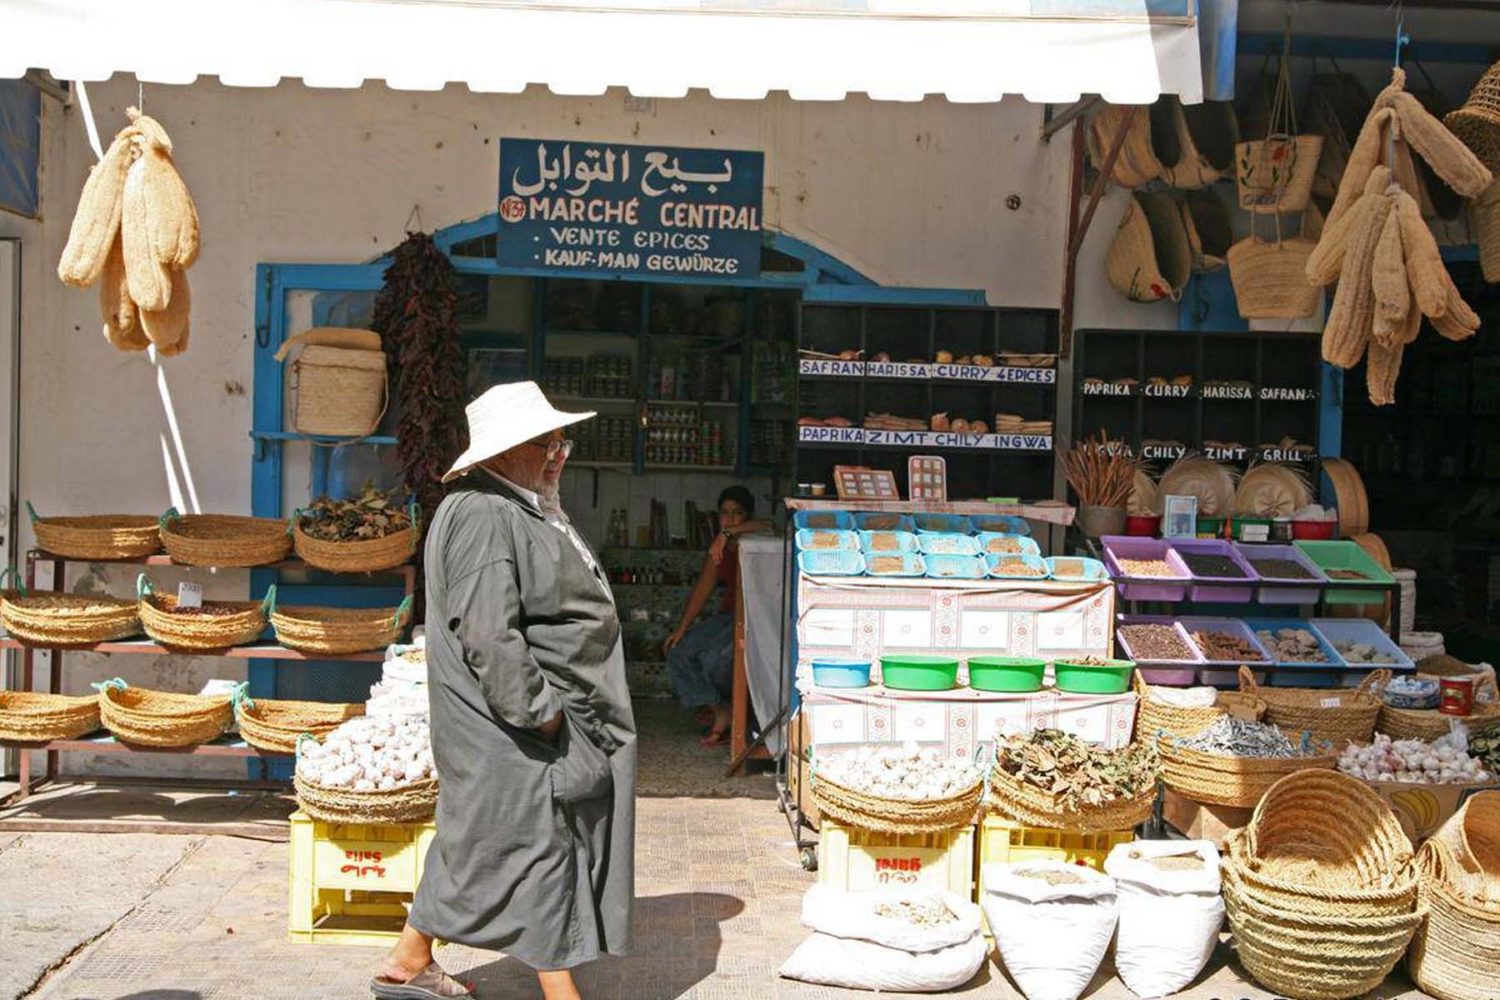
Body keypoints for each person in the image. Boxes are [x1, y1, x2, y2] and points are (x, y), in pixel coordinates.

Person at [372, 381, 635, 1000]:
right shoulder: (482, 513)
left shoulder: (521, 505)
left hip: (521, 724)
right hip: (513, 725)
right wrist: (543, 715)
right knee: (540, 842)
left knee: (481, 839)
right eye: (542, 443)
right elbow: (490, 635)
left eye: (559, 440)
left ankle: (408, 961)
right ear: (501, 451)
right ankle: (559, 989)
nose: (556, 454)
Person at [663, 485, 773, 748]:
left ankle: (737, 713)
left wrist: (727, 533)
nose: (731, 518)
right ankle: (720, 709)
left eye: (738, 513)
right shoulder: (718, 548)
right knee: (678, 652)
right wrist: (682, 628)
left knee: (717, 661)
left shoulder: (756, 538)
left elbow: (769, 524)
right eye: (725, 513)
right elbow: (703, 587)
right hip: (726, 616)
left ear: (747, 516)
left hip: (752, 618)